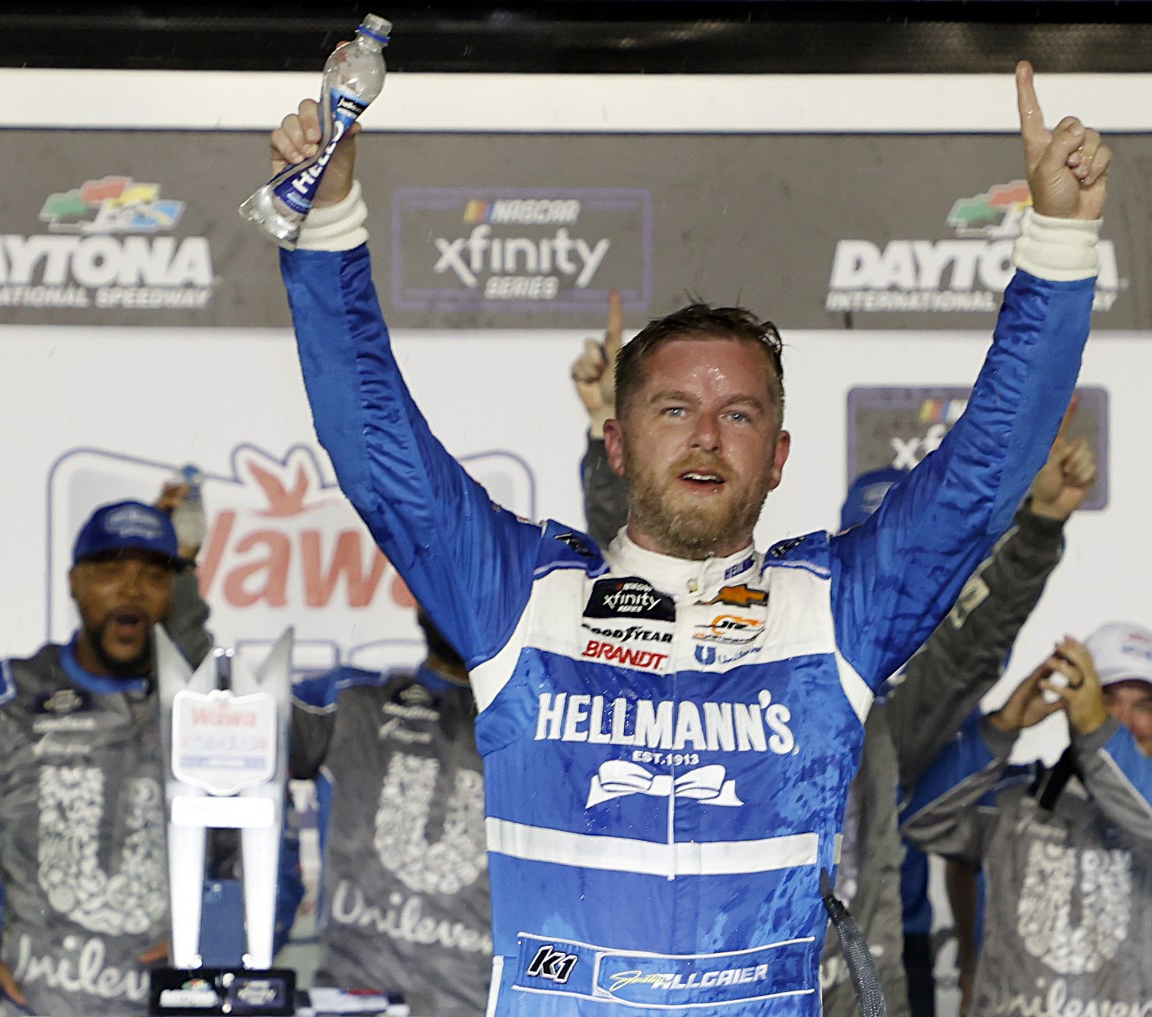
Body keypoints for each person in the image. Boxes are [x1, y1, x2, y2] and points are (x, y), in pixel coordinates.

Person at [273, 61, 1106, 1016]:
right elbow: (378, 448)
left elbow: (982, 475)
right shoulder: (519, 596)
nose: (708, 435)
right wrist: (330, 219)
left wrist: (1058, 240)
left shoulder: (833, 609)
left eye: (740, 414)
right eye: (676, 409)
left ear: (780, 454)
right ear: (617, 442)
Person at [576, 313, 1098, 1016]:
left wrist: (1037, 527)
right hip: (715, 977)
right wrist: (617, 435)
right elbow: (649, 584)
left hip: (861, 985)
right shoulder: (757, 644)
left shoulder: (879, 705)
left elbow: (973, 640)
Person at [0, 495, 212, 1016]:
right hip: (26, 1003)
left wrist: (215, 936)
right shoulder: (0, 701)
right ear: (74, 582)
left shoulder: (208, 710)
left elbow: (259, 852)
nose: (131, 588)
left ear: (171, 593)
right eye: (110, 569)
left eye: (152, 575)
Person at [902, 624, 1152, 1017]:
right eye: (1107, 700)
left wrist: (1101, 737)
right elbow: (916, 820)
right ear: (1071, 702)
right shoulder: (1013, 795)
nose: (1125, 722)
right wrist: (1000, 729)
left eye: (1146, 706)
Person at [283, 611, 490, 1016]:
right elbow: (226, 744)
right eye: (442, 575)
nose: (457, 597)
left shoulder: (546, 725)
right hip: (351, 1003)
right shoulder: (347, 698)